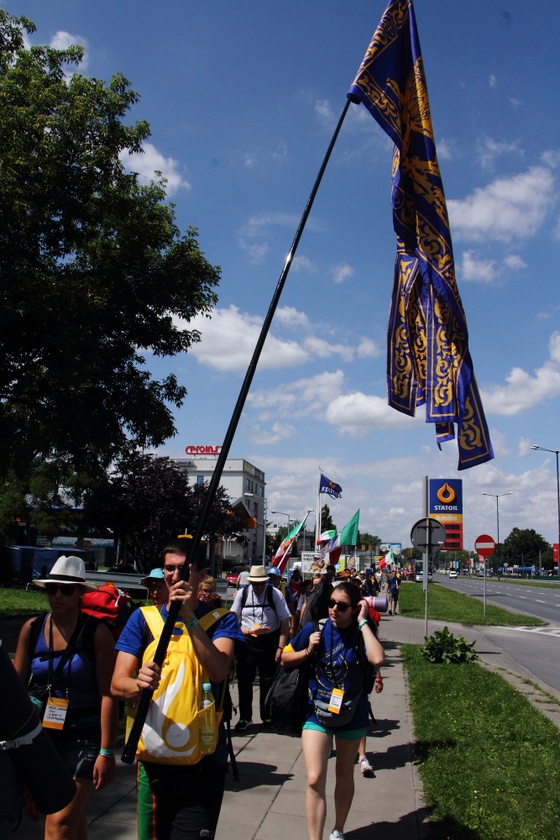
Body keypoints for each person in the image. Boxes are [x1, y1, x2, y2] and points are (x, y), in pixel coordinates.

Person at [111, 542, 243, 840]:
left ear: (201, 575)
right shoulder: (143, 619)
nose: (173, 575)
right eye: (169, 568)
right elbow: (117, 684)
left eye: (183, 569)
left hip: (204, 762)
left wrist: (189, 618)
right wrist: (138, 683)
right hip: (153, 757)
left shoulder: (222, 620)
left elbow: (219, 670)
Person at [14, 555, 118, 840]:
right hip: (42, 736)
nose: (58, 595)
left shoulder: (97, 634)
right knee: (71, 817)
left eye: (66, 589)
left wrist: (107, 752)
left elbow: (108, 693)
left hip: (84, 733)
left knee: (58, 822)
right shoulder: (32, 629)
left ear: (80, 593)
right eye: (52, 589)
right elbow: (14, 687)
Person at [282, 581, 384, 840]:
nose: (334, 609)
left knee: (343, 774)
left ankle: (338, 829)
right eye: (331, 603)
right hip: (316, 711)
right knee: (315, 778)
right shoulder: (314, 628)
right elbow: (285, 657)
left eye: (342, 606)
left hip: (352, 712)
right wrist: (307, 650)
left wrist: (362, 622)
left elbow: (377, 658)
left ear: (354, 608)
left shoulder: (362, 631)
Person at [230, 564, 291, 730]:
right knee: (244, 681)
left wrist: (280, 647)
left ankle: (267, 716)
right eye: (254, 584)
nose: (258, 587)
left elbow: (285, 621)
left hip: (269, 642)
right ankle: (245, 717)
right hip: (247, 641)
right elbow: (233, 619)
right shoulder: (242, 595)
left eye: (261, 583)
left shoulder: (275, 594)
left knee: (268, 681)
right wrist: (247, 630)